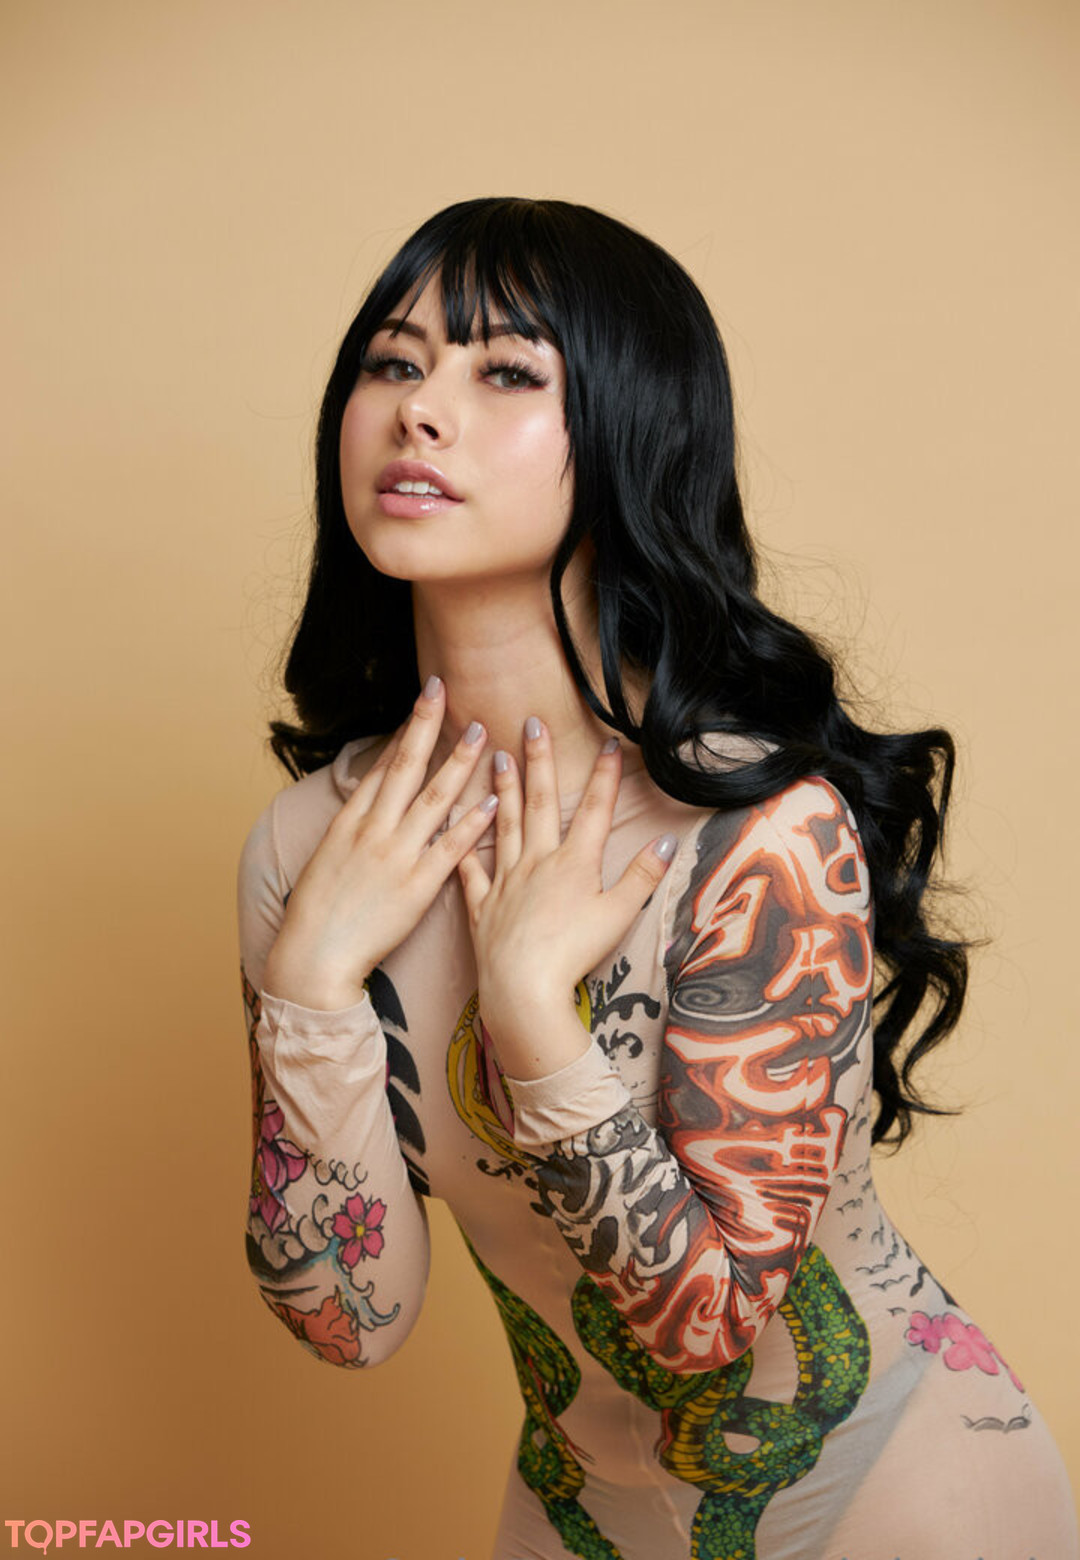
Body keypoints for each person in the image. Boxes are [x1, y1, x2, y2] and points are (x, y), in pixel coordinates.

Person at [237, 197, 1077, 1560]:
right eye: (393, 363)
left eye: (506, 372)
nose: (420, 411)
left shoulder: (756, 828)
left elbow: (712, 1323)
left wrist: (530, 1007)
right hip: (575, 1514)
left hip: (898, 1502)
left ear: (634, 431)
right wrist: (312, 982)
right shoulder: (307, 853)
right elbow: (348, 1320)